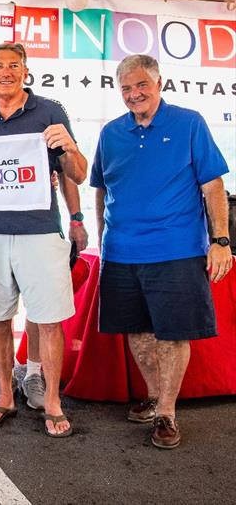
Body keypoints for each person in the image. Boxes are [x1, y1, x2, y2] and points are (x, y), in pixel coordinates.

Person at [91, 54, 231, 449]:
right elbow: (102, 190)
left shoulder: (189, 123)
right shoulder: (110, 133)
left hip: (176, 250)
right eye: (126, 89)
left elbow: (213, 186)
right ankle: (154, 396)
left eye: (141, 85)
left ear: (158, 84)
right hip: (120, 252)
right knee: (138, 331)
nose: (135, 94)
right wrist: (102, 238)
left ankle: (168, 411)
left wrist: (220, 240)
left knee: (171, 336)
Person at [0, 43, 87, 438]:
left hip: (40, 232)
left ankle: (52, 402)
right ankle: (5, 395)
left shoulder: (50, 110)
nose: (5, 72)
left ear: (25, 71)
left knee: (50, 321)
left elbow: (78, 173)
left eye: (13, 66)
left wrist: (68, 146)